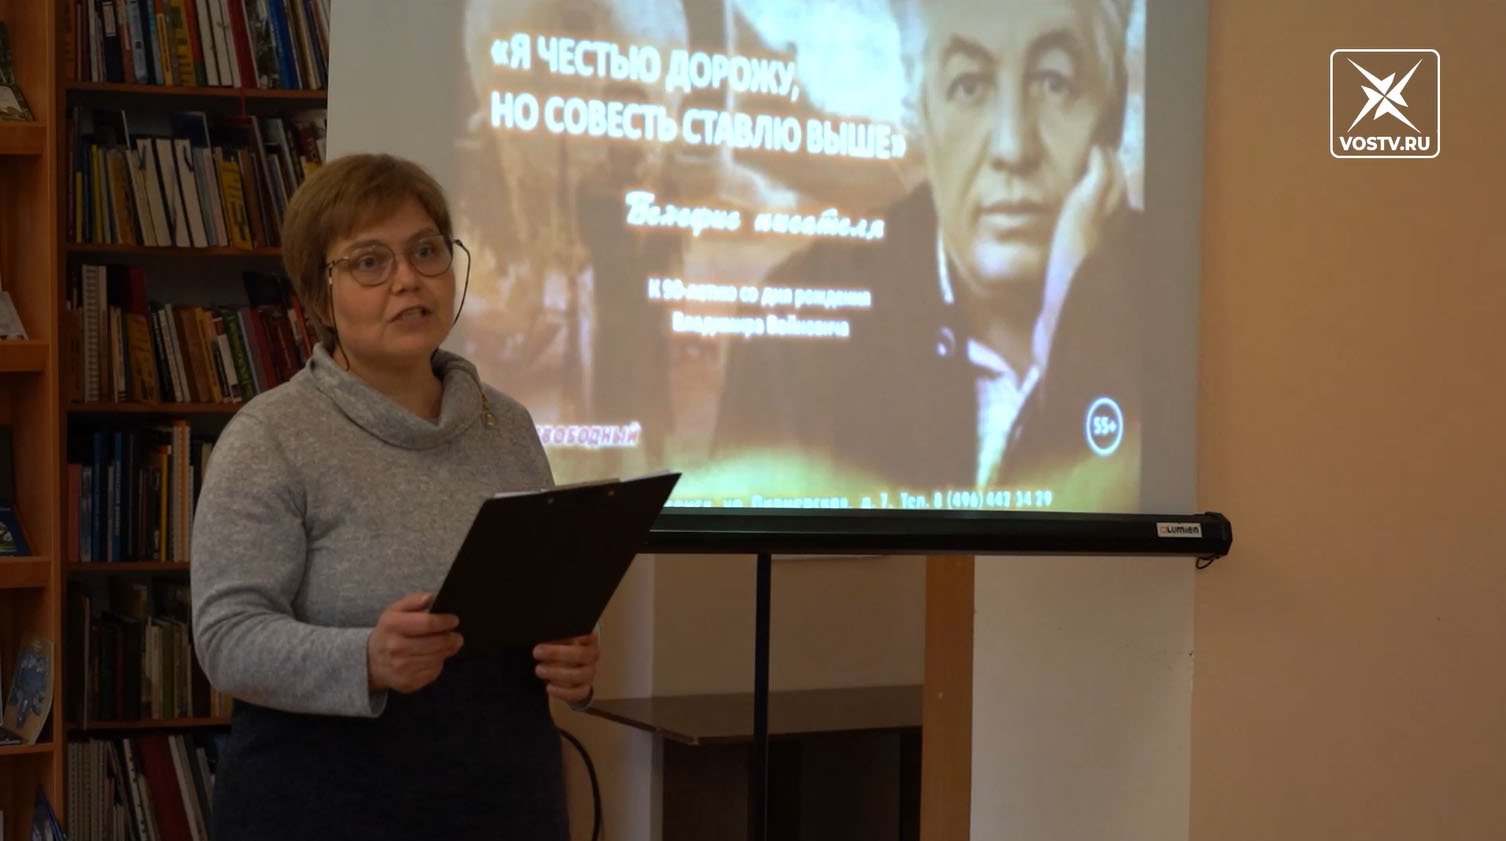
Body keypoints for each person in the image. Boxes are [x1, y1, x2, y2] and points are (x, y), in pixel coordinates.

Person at [190, 154, 599, 841]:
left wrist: (573, 658)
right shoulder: (270, 437)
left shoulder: (508, 425)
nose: (408, 278)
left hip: (505, 802)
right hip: (326, 809)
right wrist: (367, 660)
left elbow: (544, 603)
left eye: (425, 251)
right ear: (321, 298)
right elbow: (227, 638)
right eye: (370, 262)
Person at [714, 0, 1143, 508]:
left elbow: (1089, 544)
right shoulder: (791, 327)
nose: (1013, 147)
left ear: (1112, 112)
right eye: (969, 85)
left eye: (1054, 83)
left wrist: (1077, 322)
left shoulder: (1171, 309)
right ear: (922, 111)